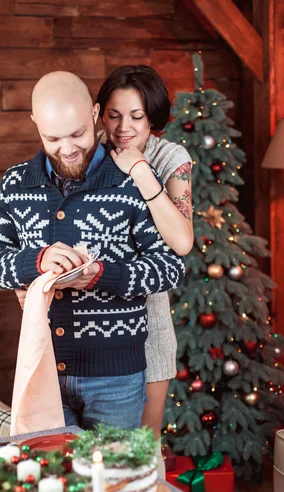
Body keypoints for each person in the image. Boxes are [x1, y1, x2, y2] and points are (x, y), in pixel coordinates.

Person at [0, 71, 185, 431]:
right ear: (35, 124)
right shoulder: (15, 183)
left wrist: (104, 274)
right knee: (52, 484)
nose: (68, 148)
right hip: (41, 368)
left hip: (117, 378)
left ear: (94, 114)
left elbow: (170, 266)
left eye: (77, 134)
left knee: (118, 485)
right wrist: (35, 261)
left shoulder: (132, 180)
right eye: (52, 138)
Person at [96, 65, 193, 455]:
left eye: (136, 116)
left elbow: (182, 241)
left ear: (152, 116)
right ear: (100, 113)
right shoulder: (88, 152)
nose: (123, 127)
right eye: (114, 115)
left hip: (149, 314)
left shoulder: (170, 156)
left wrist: (139, 169)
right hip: (93, 315)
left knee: (141, 447)